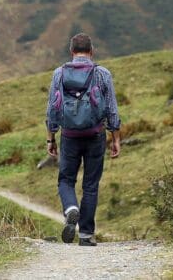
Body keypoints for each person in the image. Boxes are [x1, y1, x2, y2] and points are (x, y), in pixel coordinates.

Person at [45, 33, 121, 246]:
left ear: (71, 52)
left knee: (66, 179)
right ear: (91, 51)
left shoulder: (59, 74)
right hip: (95, 134)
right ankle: (86, 234)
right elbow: (112, 109)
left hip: (69, 136)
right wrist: (115, 137)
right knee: (90, 184)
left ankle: (71, 208)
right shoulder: (102, 74)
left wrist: (51, 138)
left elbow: (52, 108)